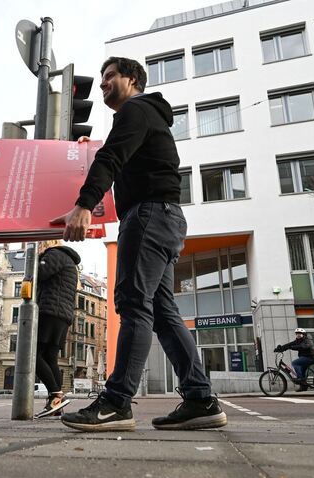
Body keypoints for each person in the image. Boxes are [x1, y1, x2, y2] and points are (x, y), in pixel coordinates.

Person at [53, 57, 227, 431]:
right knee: (162, 312)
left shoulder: (135, 109)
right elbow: (119, 157)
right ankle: (200, 399)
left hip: (148, 217)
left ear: (132, 79)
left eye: (110, 77)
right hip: (164, 218)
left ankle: (116, 402)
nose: (102, 85)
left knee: (133, 303)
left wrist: (85, 204)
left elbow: (111, 157)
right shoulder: (148, 115)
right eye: (101, 79)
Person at [33, 240, 81, 418]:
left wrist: (35, 260)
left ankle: (55, 396)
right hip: (62, 315)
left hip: (49, 311)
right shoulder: (69, 262)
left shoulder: (55, 255)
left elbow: (41, 272)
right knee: (49, 357)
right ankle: (56, 406)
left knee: (33, 356)